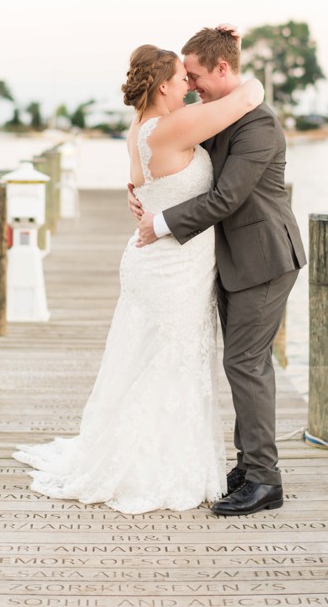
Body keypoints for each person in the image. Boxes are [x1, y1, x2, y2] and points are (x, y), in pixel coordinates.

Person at [13, 29, 266, 514]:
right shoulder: (174, 126)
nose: (190, 86)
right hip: (171, 265)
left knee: (156, 364)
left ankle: (152, 455)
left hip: (160, 260)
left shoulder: (142, 129)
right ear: (163, 86)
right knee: (170, 365)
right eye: (181, 78)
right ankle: (155, 466)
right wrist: (235, 61)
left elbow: (146, 183)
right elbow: (249, 94)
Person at [132, 26, 306, 516]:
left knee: (245, 364)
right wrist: (144, 193)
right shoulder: (223, 113)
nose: (191, 86)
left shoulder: (260, 125)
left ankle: (265, 480)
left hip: (265, 259)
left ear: (223, 69)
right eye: (185, 77)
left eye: (197, 75)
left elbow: (227, 197)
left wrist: (160, 223)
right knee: (243, 364)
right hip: (231, 259)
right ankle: (249, 465)